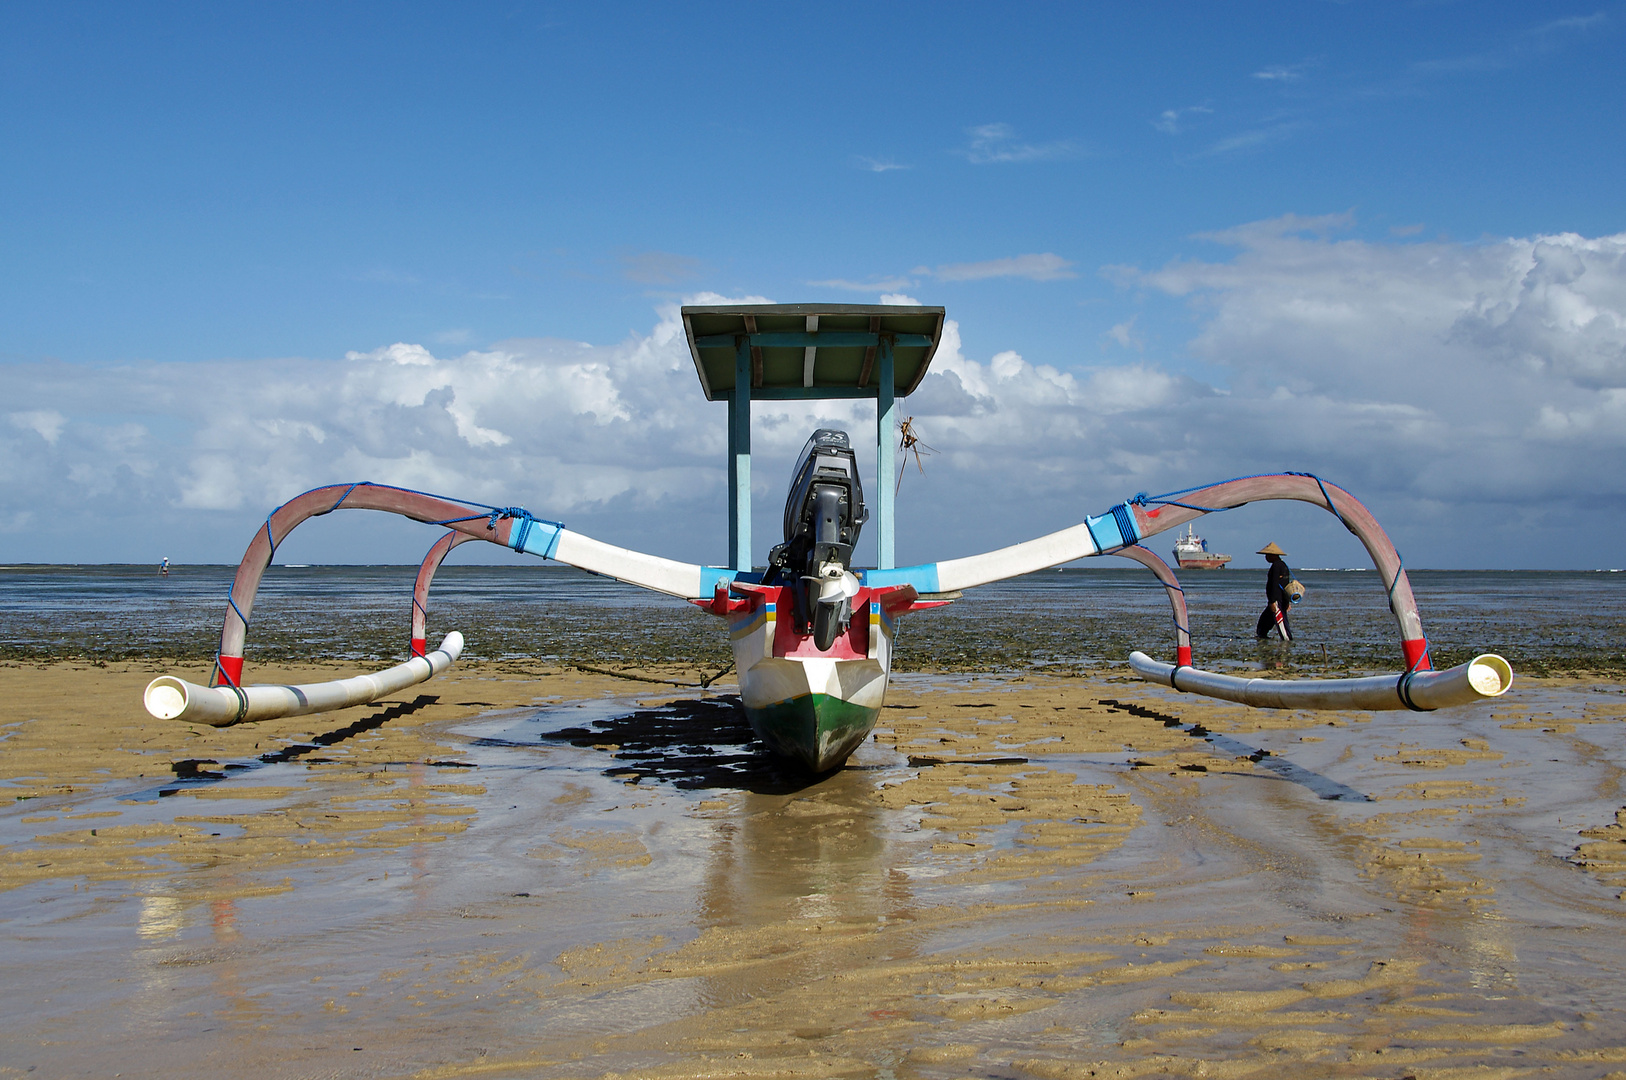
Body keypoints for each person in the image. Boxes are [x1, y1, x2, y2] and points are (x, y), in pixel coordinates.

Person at [1255, 542, 1291, 641]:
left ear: (1272, 555)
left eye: (1267, 555)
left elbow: (1274, 584)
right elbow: (1286, 585)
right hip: (1280, 599)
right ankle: (1262, 638)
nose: (1266, 558)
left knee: (1282, 625)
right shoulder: (1283, 565)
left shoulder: (1276, 566)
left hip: (1276, 600)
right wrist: (1287, 601)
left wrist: (1272, 602)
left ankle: (1287, 643)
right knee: (1263, 623)